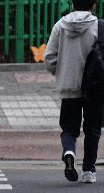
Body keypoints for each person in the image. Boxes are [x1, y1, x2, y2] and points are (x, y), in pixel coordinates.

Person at [43, 0, 101, 183]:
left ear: (72, 4)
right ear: (94, 5)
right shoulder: (99, 26)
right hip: (95, 87)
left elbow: (49, 57)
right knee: (92, 129)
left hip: (69, 85)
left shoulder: (60, 25)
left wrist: (60, 73)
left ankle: (69, 151)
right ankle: (89, 171)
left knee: (69, 128)